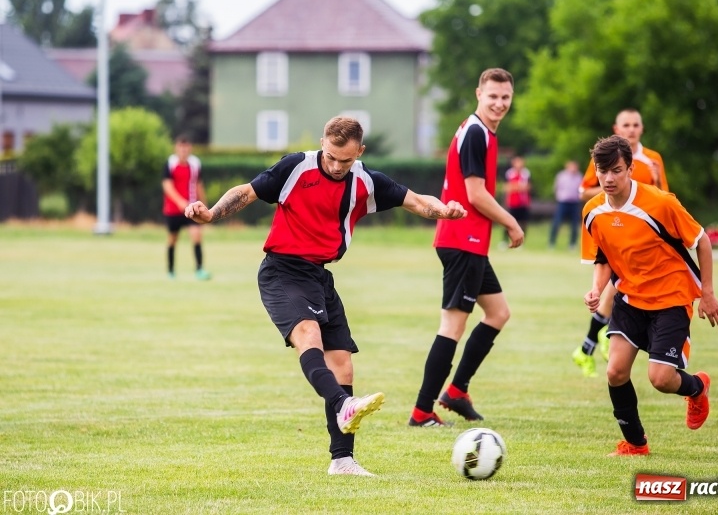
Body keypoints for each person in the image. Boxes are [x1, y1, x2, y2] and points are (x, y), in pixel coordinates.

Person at [185, 116, 467, 476]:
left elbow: (415, 201)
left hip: (319, 277)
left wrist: (443, 210)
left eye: (345, 160)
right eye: (331, 156)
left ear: (360, 151)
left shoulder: (366, 181)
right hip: (282, 270)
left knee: (342, 363)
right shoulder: (296, 167)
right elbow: (247, 191)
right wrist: (211, 214)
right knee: (308, 334)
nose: (336, 166)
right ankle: (342, 403)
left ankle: (342, 460)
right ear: (322, 143)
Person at [581, 134, 718, 456]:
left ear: (630, 169)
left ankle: (697, 387)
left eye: (616, 170)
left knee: (660, 379)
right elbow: (603, 256)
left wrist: (708, 292)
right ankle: (636, 444)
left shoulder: (661, 203)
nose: (608, 178)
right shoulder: (592, 211)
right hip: (630, 299)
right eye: (602, 171)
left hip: (670, 299)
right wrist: (597, 288)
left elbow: (702, 241)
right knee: (615, 372)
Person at [409, 68, 524, 427]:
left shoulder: (483, 132)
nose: (499, 103)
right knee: (452, 326)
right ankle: (422, 412)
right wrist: (511, 221)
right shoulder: (475, 132)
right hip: (462, 241)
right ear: (479, 94)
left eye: (505, 97)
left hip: (470, 243)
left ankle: (457, 391)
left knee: (498, 313)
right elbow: (476, 195)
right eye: (493, 96)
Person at [572, 109, 668, 377]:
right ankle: (602, 338)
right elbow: (584, 192)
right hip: (614, 234)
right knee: (616, 286)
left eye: (636, 124)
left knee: (616, 289)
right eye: (626, 125)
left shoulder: (652, 159)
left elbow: (665, 199)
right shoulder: (605, 158)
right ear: (617, 128)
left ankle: (587, 347)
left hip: (644, 241)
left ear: (642, 128)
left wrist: (656, 180)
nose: (631, 129)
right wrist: (612, 183)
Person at [162, 135, 211, 280]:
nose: (183, 150)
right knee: (172, 239)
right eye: (181, 147)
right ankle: (171, 271)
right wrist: (179, 201)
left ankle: (199, 270)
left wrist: (205, 205)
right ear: (176, 148)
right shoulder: (170, 163)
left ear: (190, 148)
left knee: (196, 236)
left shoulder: (195, 164)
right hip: (173, 209)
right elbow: (167, 186)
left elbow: (198, 185)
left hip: (191, 208)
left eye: (186, 147)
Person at [548, 160, 583, 249]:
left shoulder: (579, 176)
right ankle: (551, 242)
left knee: (574, 224)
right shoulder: (561, 176)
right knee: (557, 222)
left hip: (574, 203)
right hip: (563, 202)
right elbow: (556, 188)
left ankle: (572, 244)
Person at [503, 155, 531, 246]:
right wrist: (518, 187)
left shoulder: (526, 173)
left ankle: (521, 242)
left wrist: (515, 187)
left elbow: (528, 187)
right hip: (512, 202)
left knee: (523, 223)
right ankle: (505, 241)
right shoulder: (509, 173)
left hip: (523, 203)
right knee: (507, 222)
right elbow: (507, 187)